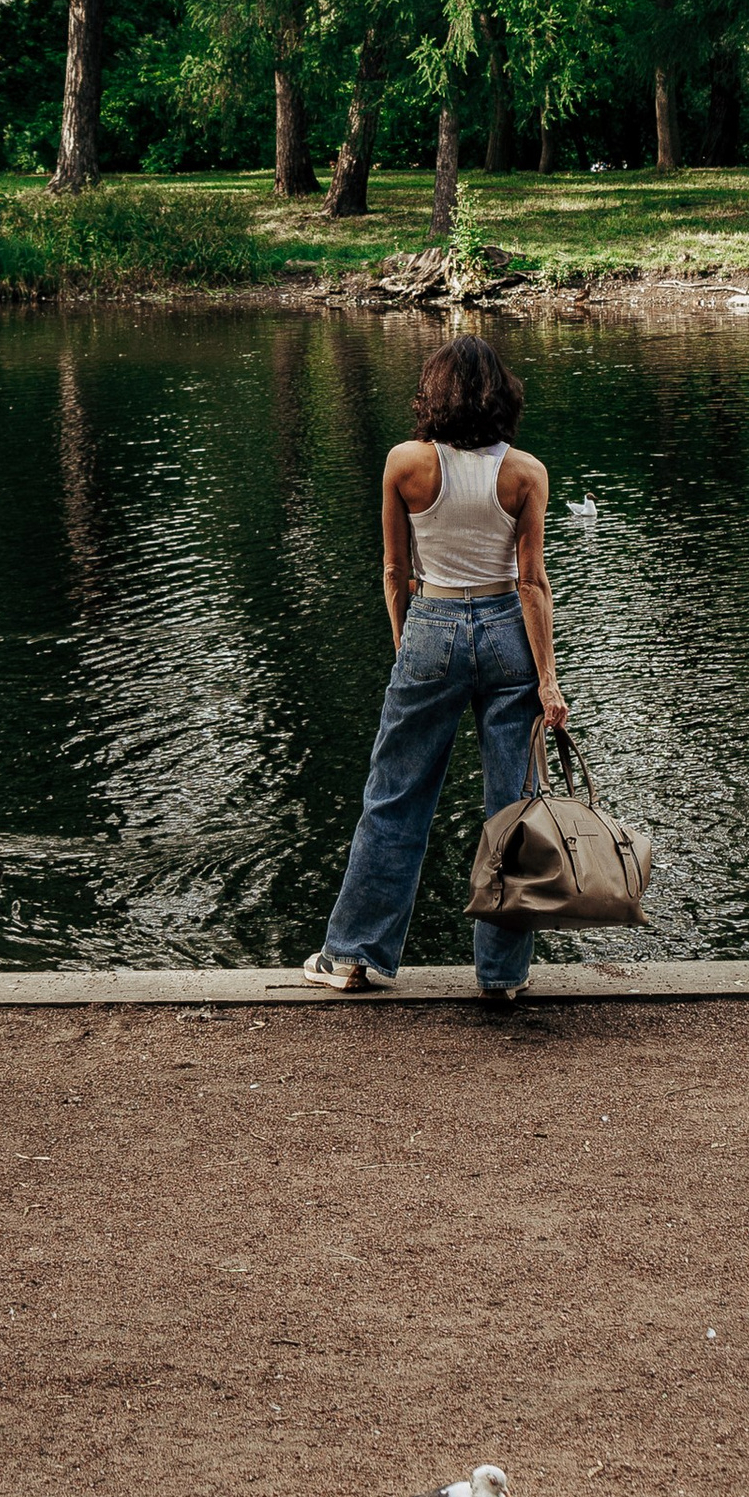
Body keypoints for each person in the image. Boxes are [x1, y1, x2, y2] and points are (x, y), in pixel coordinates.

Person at [302, 333, 570, 1006]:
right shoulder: (525, 472)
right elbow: (532, 584)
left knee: (395, 798)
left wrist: (408, 645)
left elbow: (395, 571)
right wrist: (549, 680)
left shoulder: (405, 463)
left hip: (432, 623)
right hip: (509, 634)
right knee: (514, 809)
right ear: (502, 397)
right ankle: (501, 976)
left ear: (433, 394)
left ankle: (354, 958)